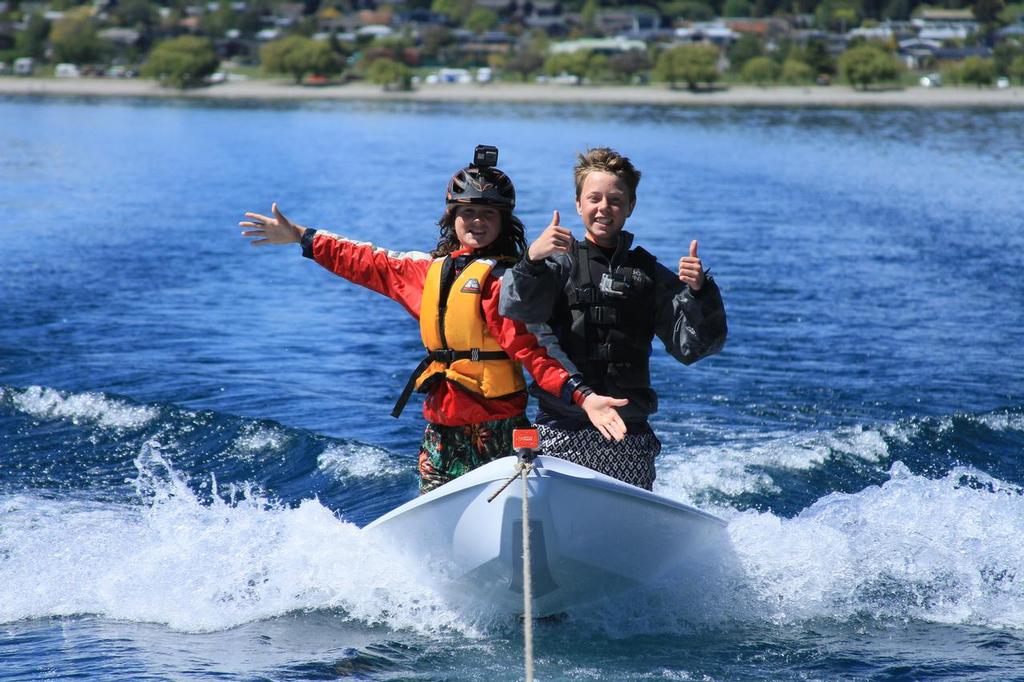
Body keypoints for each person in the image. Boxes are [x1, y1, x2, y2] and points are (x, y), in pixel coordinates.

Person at [239, 145, 627, 494]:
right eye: (468, 213)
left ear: (504, 222)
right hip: (441, 430)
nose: (476, 222)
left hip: (500, 430)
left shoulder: (505, 284)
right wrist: (301, 237)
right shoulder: (424, 272)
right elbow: (365, 261)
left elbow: (535, 352)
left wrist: (585, 398)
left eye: (487, 215)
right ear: (452, 218)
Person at [499, 147, 727, 491]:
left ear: (630, 207)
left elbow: (693, 348)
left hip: (627, 435)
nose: (604, 207)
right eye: (594, 198)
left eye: (615, 200)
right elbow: (514, 310)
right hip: (563, 429)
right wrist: (531, 258)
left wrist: (700, 292)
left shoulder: (650, 275)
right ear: (579, 204)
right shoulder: (556, 266)